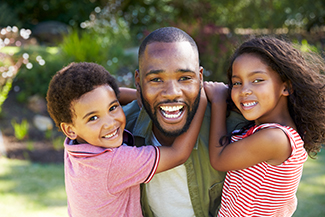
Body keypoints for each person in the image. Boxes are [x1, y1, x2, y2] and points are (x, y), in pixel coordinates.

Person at [46, 62, 207, 217]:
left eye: (113, 107)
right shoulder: (112, 163)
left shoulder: (75, 145)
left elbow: (108, 96)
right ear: (70, 129)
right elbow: (178, 154)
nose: (110, 123)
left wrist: (148, 100)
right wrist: (201, 101)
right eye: (94, 118)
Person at [122, 27, 247, 217]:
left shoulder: (236, 131)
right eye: (156, 79)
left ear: (200, 78)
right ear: (138, 82)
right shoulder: (118, 132)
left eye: (185, 78)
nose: (172, 92)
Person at [205, 37, 325, 217]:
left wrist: (218, 101)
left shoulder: (275, 138)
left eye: (257, 80)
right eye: (237, 83)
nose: (244, 90)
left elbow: (219, 159)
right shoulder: (269, 130)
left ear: (286, 87)